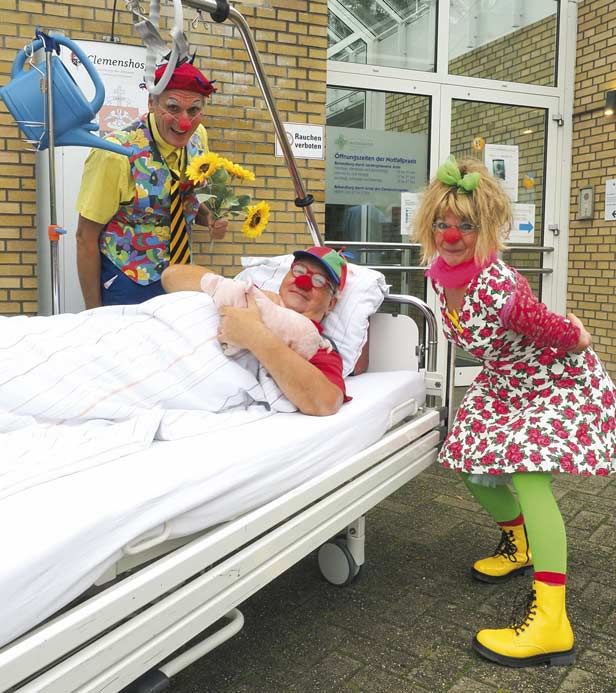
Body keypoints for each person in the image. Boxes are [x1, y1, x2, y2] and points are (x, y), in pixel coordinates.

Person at [413, 156, 616, 668]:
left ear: (485, 228)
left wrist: (580, 335)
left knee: (528, 478)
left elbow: (556, 330)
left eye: (465, 225)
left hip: (548, 380)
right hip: (505, 381)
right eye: (442, 222)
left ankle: (552, 622)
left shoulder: (498, 287)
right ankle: (519, 545)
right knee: (472, 467)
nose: (451, 235)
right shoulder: (440, 277)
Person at [75, 60, 228, 309]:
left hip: (180, 276)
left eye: (193, 110)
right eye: (173, 107)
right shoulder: (115, 153)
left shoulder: (198, 138)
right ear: (151, 102)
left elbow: (181, 200)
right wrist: (93, 314)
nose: (184, 122)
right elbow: (85, 237)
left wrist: (209, 216)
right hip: (127, 280)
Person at [162, 246, 350, 416]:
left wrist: (256, 336)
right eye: (299, 271)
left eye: (319, 281)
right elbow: (171, 276)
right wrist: (222, 286)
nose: (303, 282)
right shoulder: (249, 293)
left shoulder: (319, 348)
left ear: (331, 304)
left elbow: (327, 402)